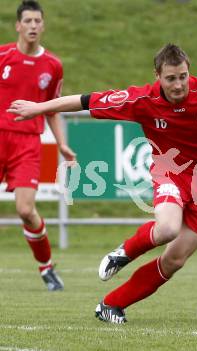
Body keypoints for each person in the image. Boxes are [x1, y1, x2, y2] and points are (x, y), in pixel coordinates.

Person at [7, 43, 197, 323]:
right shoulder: (141, 99)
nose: (178, 84)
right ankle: (125, 252)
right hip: (170, 172)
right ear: (158, 76)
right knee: (168, 228)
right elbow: (85, 101)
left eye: (182, 76)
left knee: (175, 258)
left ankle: (111, 306)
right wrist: (38, 108)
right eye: (170, 78)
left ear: (189, 72)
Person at [0, 0, 76, 291]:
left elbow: (52, 109)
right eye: (27, 21)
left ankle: (46, 267)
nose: (33, 26)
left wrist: (63, 145)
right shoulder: (3, 56)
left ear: (43, 26)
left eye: (37, 21)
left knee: (25, 210)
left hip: (27, 143)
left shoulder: (52, 66)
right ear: (18, 25)